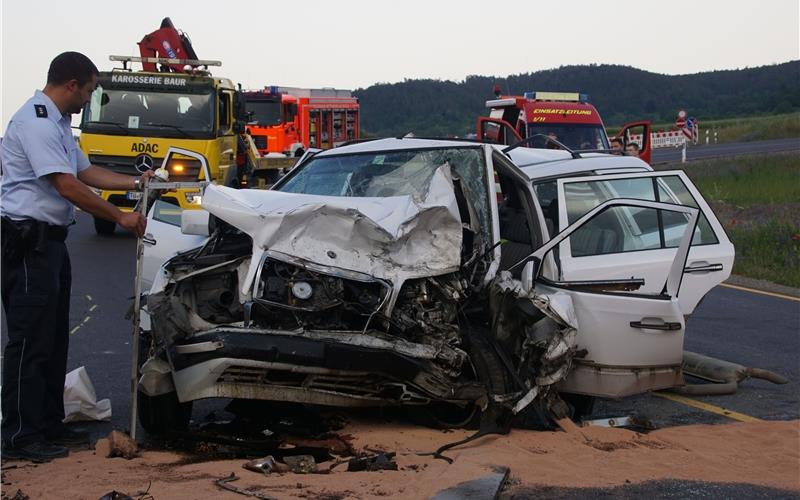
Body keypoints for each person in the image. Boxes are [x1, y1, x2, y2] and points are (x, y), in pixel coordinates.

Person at [1, 52, 155, 462]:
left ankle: (48, 425)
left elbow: (86, 172)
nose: (89, 99)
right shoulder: (34, 121)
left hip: (50, 244)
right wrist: (120, 216)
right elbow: (67, 186)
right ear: (71, 84)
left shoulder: (56, 124)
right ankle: (20, 436)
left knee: (52, 341)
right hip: (27, 244)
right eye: (88, 91)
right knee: (30, 342)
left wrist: (134, 181)